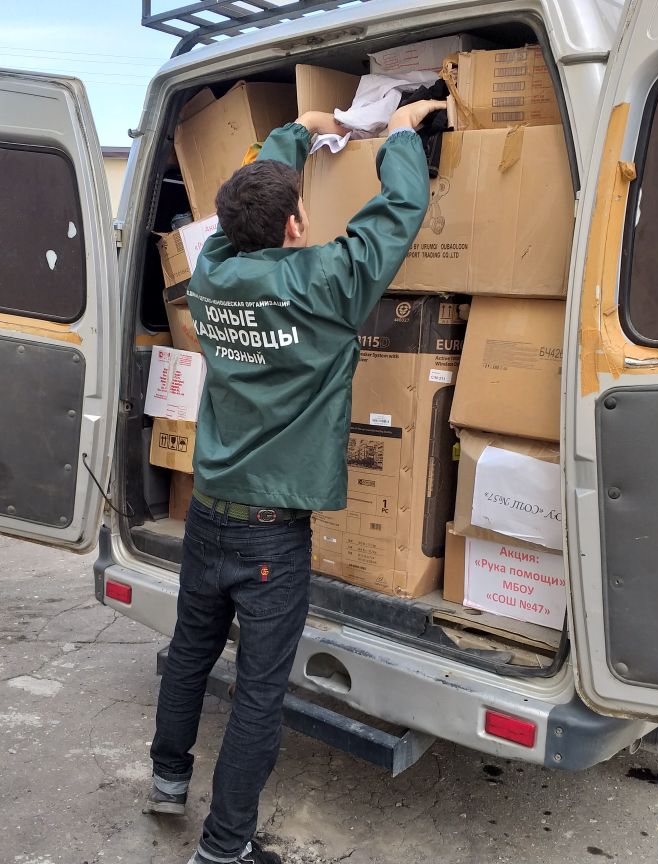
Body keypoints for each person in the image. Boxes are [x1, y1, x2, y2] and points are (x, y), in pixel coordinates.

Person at [146, 99, 446, 864]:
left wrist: (298, 132)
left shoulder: (211, 271)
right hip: (271, 535)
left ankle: (168, 779)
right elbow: (397, 215)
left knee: (190, 652)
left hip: (208, 514)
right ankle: (225, 848)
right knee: (258, 692)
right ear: (295, 224)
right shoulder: (327, 283)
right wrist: (402, 135)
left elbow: (245, 200)